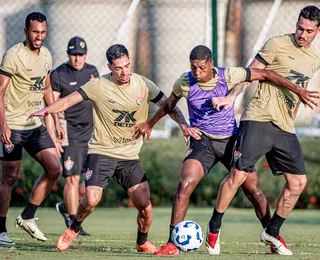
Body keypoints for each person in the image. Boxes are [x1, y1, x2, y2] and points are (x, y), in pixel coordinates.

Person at [132, 44, 319, 256]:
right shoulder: (184, 82)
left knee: (254, 192)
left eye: (201, 68)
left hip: (231, 141)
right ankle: (172, 243)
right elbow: (168, 105)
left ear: (211, 64)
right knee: (185, 184)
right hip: (203, 142)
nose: (197, 72)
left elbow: (265, 73)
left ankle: (272, 237)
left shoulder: (228, 75)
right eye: (193, 67)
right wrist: (160, 124)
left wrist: (298, 90)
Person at [27, 44, 199, 252]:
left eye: (127, 66)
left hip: (129, 157)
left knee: (146, 209)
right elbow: (66, 101)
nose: (124, 71)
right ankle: (74, 227)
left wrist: (183, 125)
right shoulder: (98, 85)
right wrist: (45, 110)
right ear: (110, 67)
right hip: (102, 152)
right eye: (118, 68)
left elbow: (168, 105)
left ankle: (142, 241)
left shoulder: (143, 84)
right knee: (91, 199)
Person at [208, 5, 320, 255]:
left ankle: (272, 231)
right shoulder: (277, 44)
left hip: (285, 127)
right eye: (300, 28)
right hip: (258, 118)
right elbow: (250, 73)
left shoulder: (315, 59)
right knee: (237, 176)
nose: (302, 34)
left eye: (309, 31)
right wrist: (231, 98)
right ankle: (214, 228)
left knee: (298, 182)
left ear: (317, 31)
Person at [0, 12, 64, 245]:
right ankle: (0, 231)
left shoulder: (46, 54)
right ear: (26, 31)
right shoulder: (13, 56)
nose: (39, 37)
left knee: (54, 168)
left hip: (34, 124)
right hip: (13, 126)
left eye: (43, 32)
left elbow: (46, 87)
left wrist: (55, 118)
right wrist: (3, 125)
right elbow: (0, 91)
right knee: (10, 176)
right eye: (35, 32)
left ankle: (27, 216)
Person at [51, 36, 99, 237]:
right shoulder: (58, 74)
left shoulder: (92, 72)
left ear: (86, 55)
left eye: (80, 55)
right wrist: (55, 129)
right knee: (72, 179)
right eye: (73, 55)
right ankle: (73, 224)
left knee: (91, 183)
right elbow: (52, 105)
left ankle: (65, 206)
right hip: (69, 133)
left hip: (91, 134)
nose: (77, 58)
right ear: (68, 55)